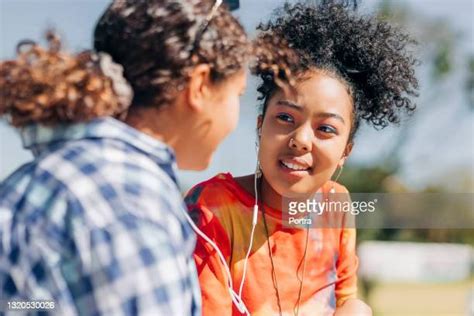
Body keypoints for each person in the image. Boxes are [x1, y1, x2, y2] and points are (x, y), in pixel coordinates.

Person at [0, 0, 252, 314]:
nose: (235, 113)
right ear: (199, 85)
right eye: (237, 95)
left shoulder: (34, 179)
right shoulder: (131, 202)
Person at [185, 1, 419, 315]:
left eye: (325, 128)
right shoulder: (213, 207)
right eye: (285, 118)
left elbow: (346, 298)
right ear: (260, 126)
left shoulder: (337, 204)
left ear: (345, 152)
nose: (300, 140)